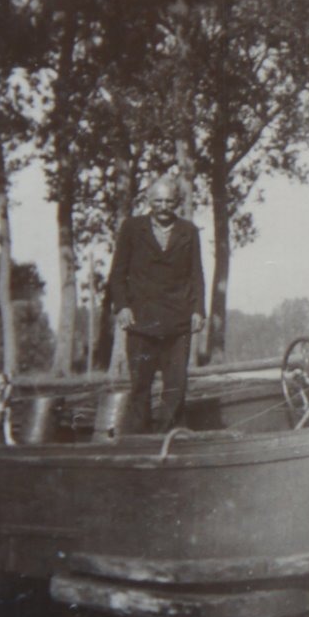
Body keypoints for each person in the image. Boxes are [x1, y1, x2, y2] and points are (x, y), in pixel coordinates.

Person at [107, 177, 206, 432]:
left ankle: (170, 438)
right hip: (141, 321)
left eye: (169, 201)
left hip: (178, 319)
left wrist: (198, 310)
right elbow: (118, 273)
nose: (163, 206)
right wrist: (122, 307)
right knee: (140, 384)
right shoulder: (132, 228)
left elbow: (197, 274)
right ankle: (139, 441)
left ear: (177, 202)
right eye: (158, 201)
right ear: (148, 201)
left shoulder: (188, 231)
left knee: (176, 385)